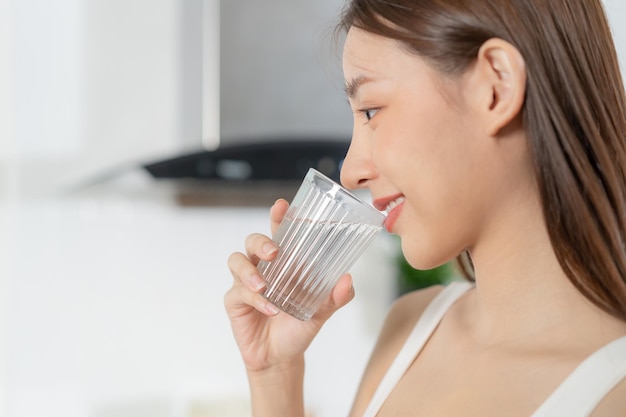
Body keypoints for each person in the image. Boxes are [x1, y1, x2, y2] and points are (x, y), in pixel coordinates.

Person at [224, 0, 626, 415]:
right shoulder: (411, 330)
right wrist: (274, 374)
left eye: (371, 110)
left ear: (496, 88)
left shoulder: (614, 394)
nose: (350, 172)